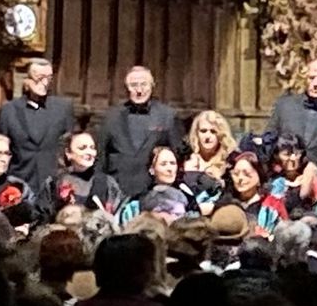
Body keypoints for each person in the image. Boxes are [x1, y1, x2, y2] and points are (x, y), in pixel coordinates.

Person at [0, 58, 77, 196]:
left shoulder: (63, 108)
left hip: (53, 185)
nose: (45, 83)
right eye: (39, 78)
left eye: (49, 78)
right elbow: (2, 149)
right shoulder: (9, 110)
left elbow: (70, 145)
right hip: (18, 183)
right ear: (26, 80)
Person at [98, 65, 180, 198]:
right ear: (126, 88)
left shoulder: (167, 116)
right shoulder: (111, 117)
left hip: (154, 192)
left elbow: (176, 155)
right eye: (134, 85)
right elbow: (101, 156)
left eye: (144, 84)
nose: (139, 90)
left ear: (152, 86)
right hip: (117, 190)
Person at [268, 56, 317, 170]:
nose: (315, 83)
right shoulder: (284, 106)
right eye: (311, 78)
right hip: (285, 178)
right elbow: (269, 141)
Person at [49, 131, 125, 215]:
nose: (89, 152)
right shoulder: (55, 182)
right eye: (82, 148)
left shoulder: (107, 183)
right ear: (68, 153)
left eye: (92, 148)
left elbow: (118, 214)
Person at [219, 151, 286, 237]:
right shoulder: (226, 203)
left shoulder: (272, 205)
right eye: (236, 174)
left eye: (246, 174)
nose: (240, 178)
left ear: (259, 177)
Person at [186, 110, 238, 180]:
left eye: (213, 132)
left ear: (221, 135)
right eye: (203, 131)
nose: (208, 136)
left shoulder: (232, 161)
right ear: (196, 134)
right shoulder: (186, 158)